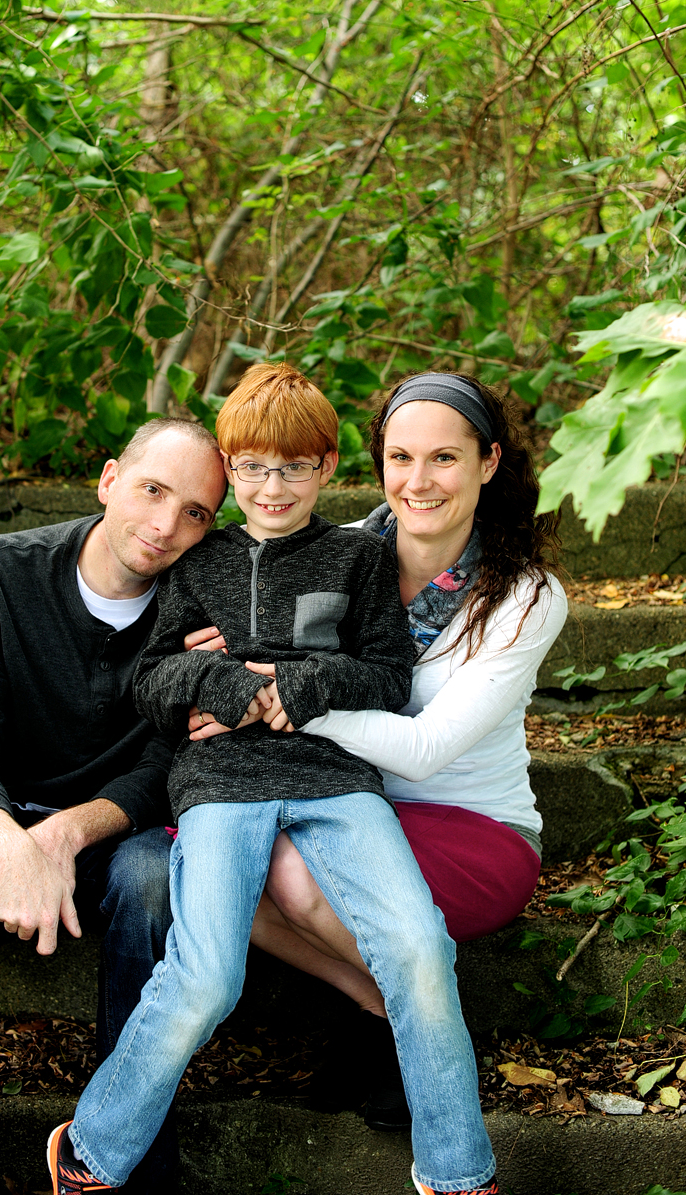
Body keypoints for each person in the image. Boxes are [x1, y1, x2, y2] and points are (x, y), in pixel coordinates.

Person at [46, 362, 498, 1195]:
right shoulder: (199, 562)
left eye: (293, 467)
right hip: (220, 785)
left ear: (327, 467)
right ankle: (93, 1150)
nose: (272, 486)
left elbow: (388, 676)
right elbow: (151, 682)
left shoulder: (358, 558)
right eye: (251, 467)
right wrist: (223, 687)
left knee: (419, 947)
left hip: (336, 782)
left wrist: (298, 685)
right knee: (209, 972)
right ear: (228, 467)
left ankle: (459, 1172)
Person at [191, 370, 568, 1152]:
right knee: (200, 853)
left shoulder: (524, 596)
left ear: (489, 462)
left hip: (470, 826)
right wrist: (220, 664)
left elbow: (427, 749)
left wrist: (288, 693)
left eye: (444, 458)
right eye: (401, 457)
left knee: (286, 868)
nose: (418, 481)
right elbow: (257, 648)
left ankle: (405, 1033)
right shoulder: (341, 557)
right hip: (342, 800)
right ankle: (393, 1007)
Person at [0, 419, 228, 1195]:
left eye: (197, 511)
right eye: (152, 490)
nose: (167, 524)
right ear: (108, 479)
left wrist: (67, 833)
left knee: (154, 886)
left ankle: (123, 1166)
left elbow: (173, 763)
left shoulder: (204, 602)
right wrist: (16, 845)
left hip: (123, 826)